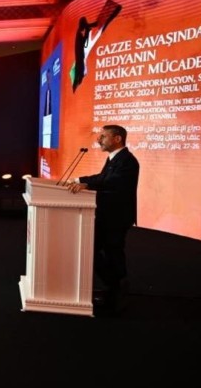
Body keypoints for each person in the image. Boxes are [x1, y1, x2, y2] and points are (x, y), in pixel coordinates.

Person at [67, 125, 139, 312]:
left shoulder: (128, 161)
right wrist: (79, 180)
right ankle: (115, 287)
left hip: (117, 217)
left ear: (117, 139)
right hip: (108, 215)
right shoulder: (115, 158)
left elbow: (112, 181)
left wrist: (86, 184)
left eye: (103, 136)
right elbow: (104, 177)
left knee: (112, 252)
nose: (99, 140)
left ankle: (118, 291)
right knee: (96, 250)